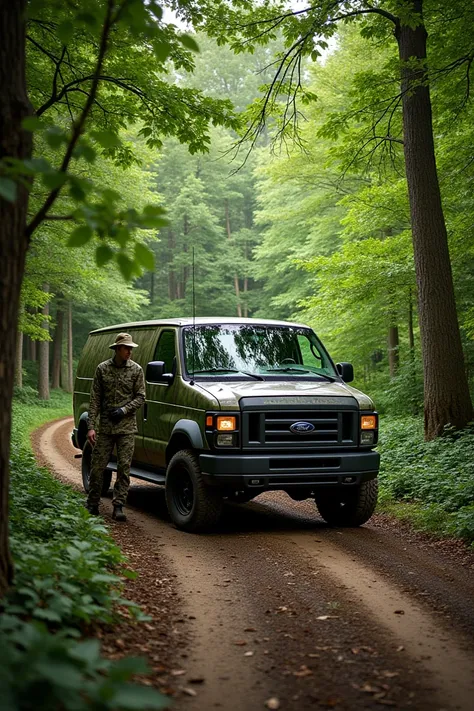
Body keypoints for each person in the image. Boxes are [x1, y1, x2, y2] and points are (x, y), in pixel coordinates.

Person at [86, 333, 146, 521]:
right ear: (117, 349)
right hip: (105, 428)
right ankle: (92, 503)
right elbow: (95, 398)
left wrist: (124, 410)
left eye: (131, 348)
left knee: (124, 468)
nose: (129, 351)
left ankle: (118, 505)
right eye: (126, 348)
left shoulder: (136, 370)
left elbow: (141, 397)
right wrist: (90, 426)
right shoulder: (102, 369)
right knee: (97, 467)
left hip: (126, 428)